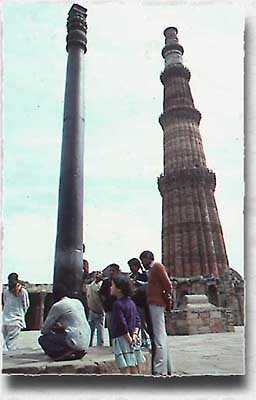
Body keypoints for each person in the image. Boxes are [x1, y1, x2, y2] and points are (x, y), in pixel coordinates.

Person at [139, 250, 173, 376]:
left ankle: (159, 369)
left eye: (143, 260)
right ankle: (168, 367)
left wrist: (167, 299)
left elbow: (168, 285)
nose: (142, 263)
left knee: (158, 336)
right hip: (154, 303)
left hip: (157, 304)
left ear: (148, 258)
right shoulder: (152, 270)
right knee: (161, 336)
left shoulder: (157, 267)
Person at [38, 283, 91, 361]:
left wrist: (53, 328)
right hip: (86, 341)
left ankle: (64, 353)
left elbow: (44, 330)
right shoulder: (77, 302)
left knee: (43, 339)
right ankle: (77, 350)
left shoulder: (58, 306)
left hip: (74, 340)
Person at [110, 274, 145, 374]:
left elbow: (122, 324)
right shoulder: (131, 303)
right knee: (135, 364)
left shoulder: (117, 304)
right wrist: (135, 334)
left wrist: (129, 339)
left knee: (124, 367)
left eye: (113, 285)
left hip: (122, 338)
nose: (110, 287)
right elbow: (137, 320)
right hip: (133, 337)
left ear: (119, 289)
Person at [2, 273, 30, 351]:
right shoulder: (22, 291)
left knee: (6, 343)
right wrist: (21, 314)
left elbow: (4, 302)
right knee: (11, 344)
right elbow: (26, 305)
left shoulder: (6, 291)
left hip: (5, 319)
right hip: (16, 320)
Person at [128, 258, 151, 348]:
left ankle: (146, 341)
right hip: (133, 303)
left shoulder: (143, 275)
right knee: (135, 324)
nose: (131, 268)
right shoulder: (130, 277)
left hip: (141, 302)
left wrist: (137, 283)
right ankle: (135, 341)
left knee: (143, 324)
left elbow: (147, 285)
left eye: (132, 266)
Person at [98, 263, 120, 346]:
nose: (111, 272)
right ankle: (112, 345)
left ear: (117, 271)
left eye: (113, 271)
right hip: (109, 309)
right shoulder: (106, 282)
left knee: (120, 328)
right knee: (111, 328)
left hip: (119, 308)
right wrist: (104, 303)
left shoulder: (120, 282)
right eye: (110, 271)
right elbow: (100, 293)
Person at [87, 272, 105, 347]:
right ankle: (88, 344)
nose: (97, 275)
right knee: (90, 330)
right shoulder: (91, 285)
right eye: (96, 273)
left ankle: (100, 346)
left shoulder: (101, 285)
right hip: (91, 310)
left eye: (99, 273)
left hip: (99, 311)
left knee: (100, 331)